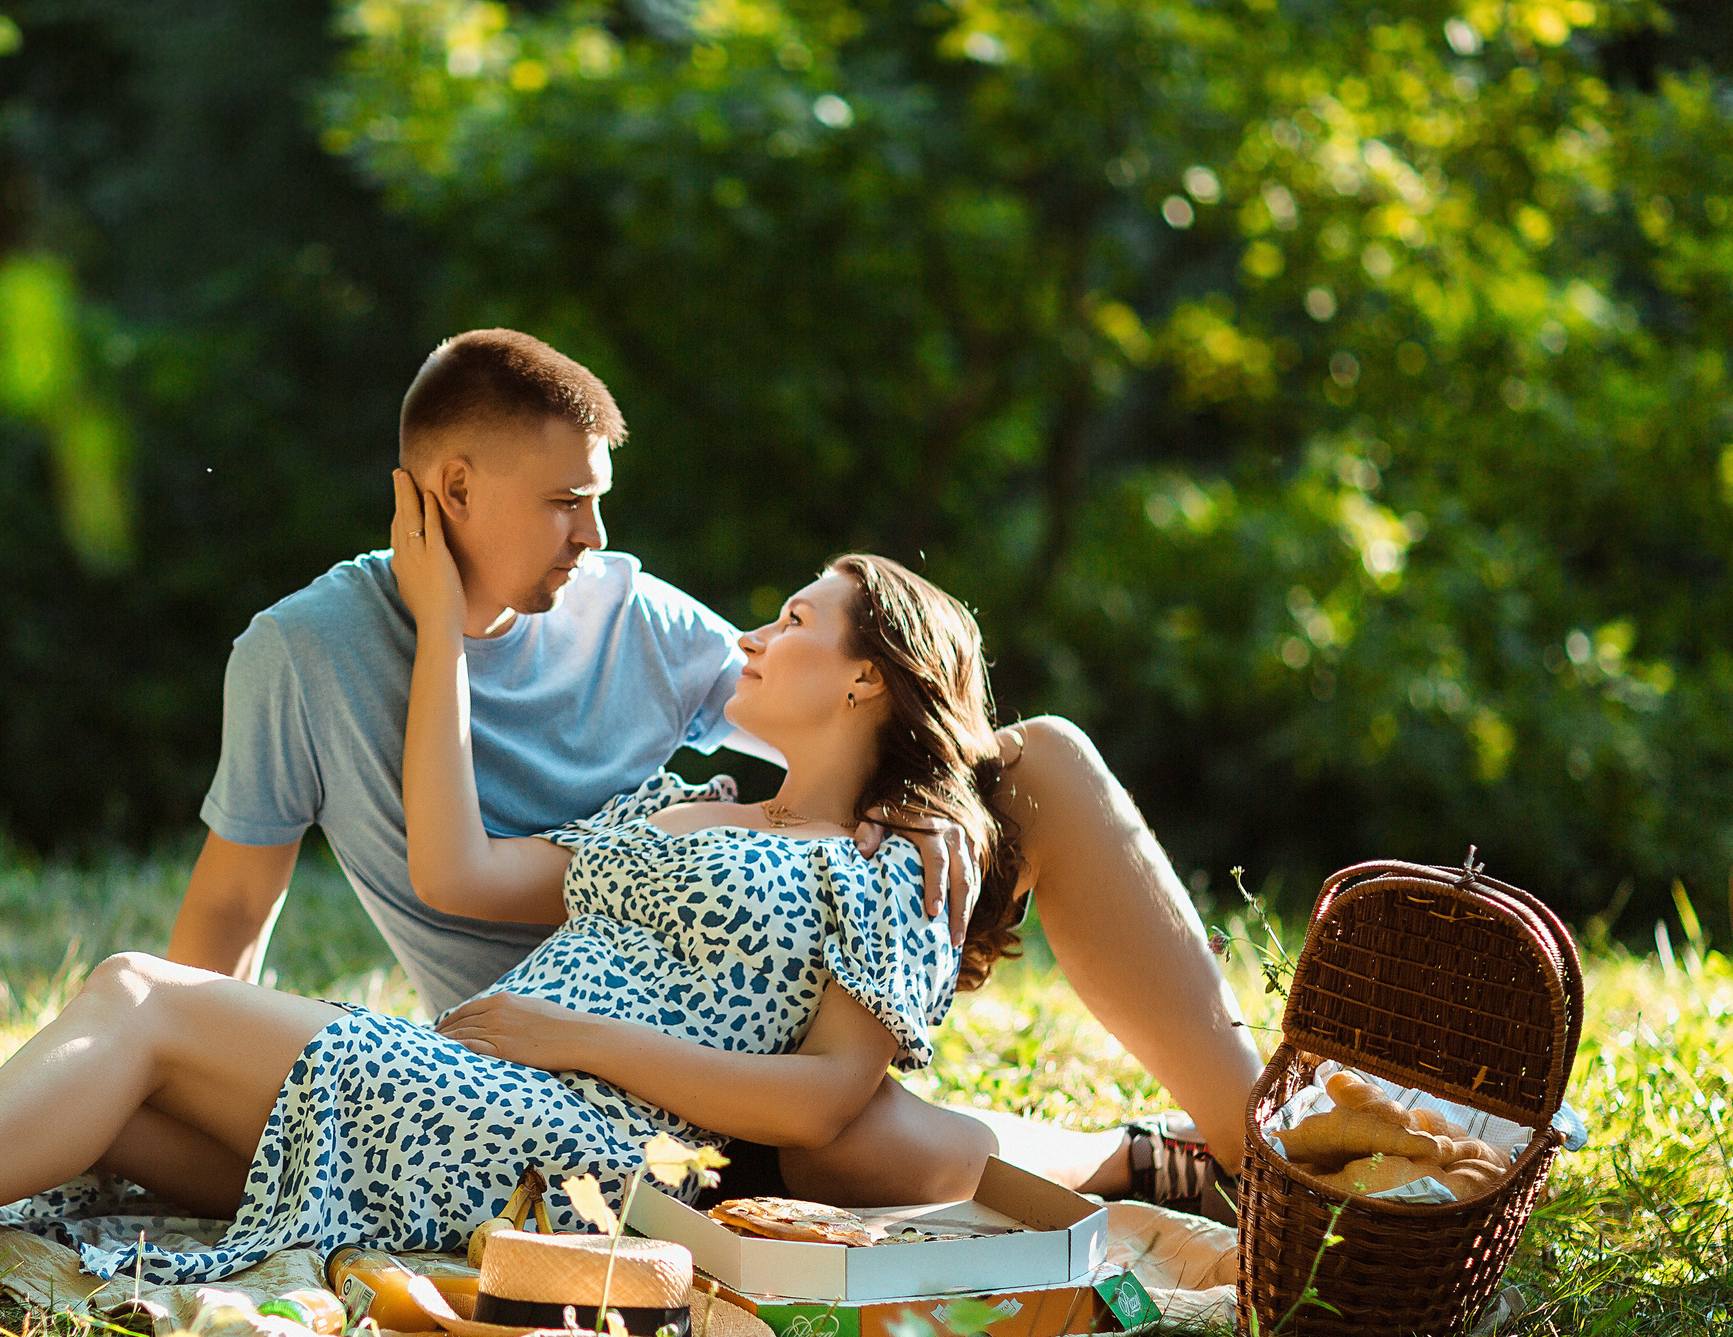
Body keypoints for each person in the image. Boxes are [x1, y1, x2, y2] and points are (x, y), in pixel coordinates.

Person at [0, 545, 1065, 1315]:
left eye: (800, 618)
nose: (763, 629)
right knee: (116, 1093)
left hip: (586, 1144)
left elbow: (826, 1105)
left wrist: (573, 1034)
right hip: (465, 1097)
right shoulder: (681, 803)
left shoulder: (887, 861)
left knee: (142, 996)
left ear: (867, 676)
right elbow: (464, 859)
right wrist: (441, 632)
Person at [170, 330, 1259, 1210]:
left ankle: (1265, 1144)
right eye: (564, 502)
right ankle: (1127, 1159)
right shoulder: (303, 652)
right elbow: (233, 900)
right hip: (538, 1066)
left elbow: (842, 703)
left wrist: (931, 809)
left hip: (748, 1016)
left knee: (1045, 758)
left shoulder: (633, 619)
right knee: (847, 1144)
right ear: (451, 488)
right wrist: (198, 1084)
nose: (592, 534)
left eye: (595, 498)